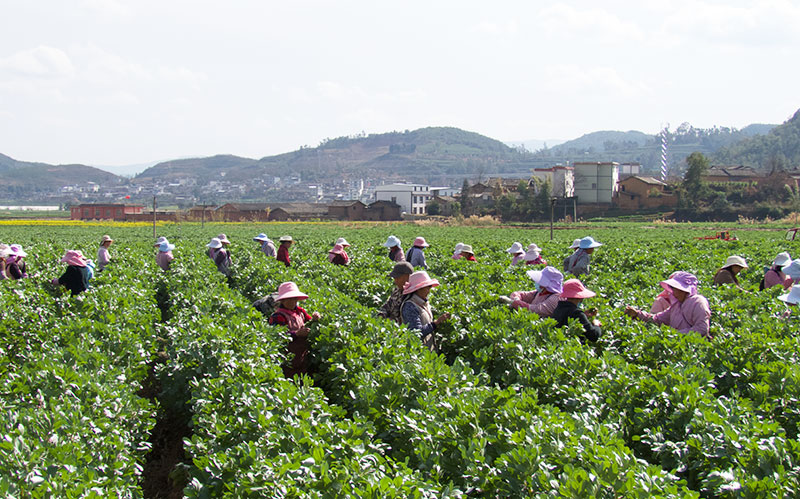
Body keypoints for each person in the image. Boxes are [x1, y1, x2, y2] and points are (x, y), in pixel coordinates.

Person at [624, 271, 712, 339]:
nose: (672, 292)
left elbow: (702, 329)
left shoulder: (698, 302)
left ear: (684, 290)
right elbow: (657, 319)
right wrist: (637, 314)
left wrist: (675, 335)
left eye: (675, 288)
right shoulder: (676, 305)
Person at [268, 281, 321, 378]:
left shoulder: (300, 311)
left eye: (294, 299)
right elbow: (278, 337)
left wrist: (315, 319)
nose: (292, 302)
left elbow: (309, 322)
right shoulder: (278, 316)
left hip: (302, 356)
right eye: (289, 299)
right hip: (287, 359)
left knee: (303, 378)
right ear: (282, 301)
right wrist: (296, 334)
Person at [401, 270, 450, 351]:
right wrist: (436, 323)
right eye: (427, 287)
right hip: (418, 354)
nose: (429, 290)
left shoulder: (424, 303)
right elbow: (416, 332)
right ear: (418, 289)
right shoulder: (410, 306)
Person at [499, 266, 564, 318]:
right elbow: (520, 294)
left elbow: (538, 310)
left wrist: (513, 302)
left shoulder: (556, 298)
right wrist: (516, 299)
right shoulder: (540, 292)